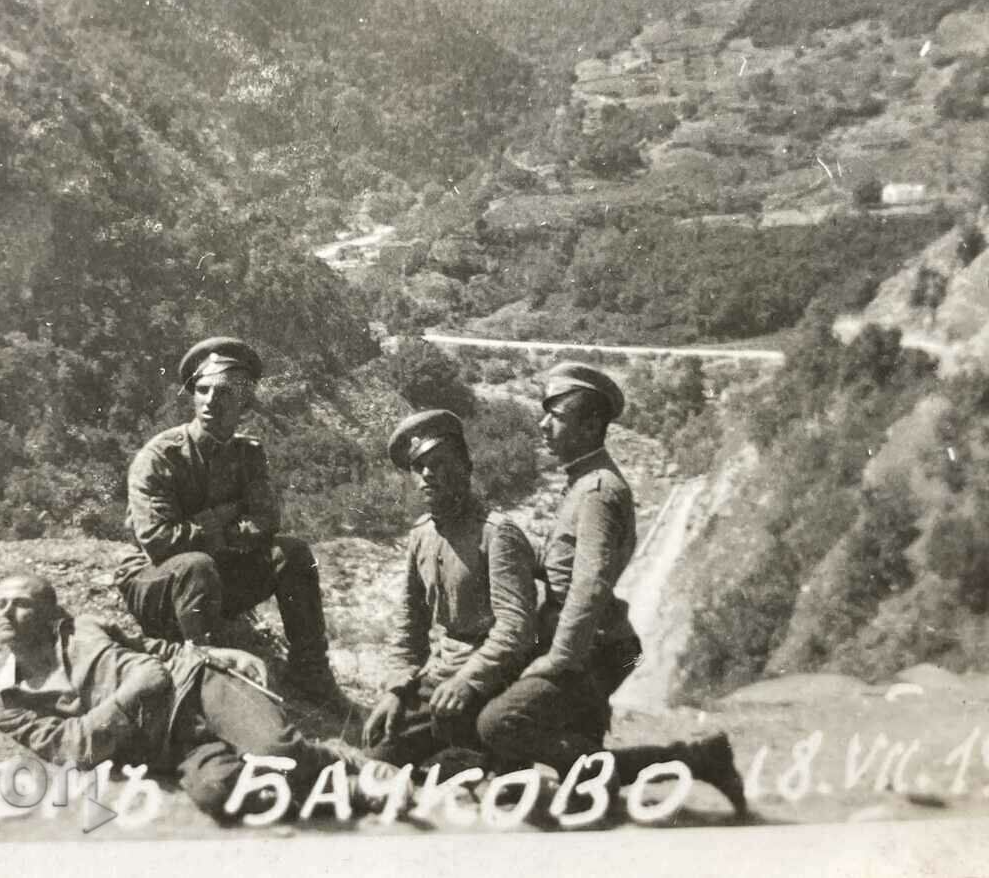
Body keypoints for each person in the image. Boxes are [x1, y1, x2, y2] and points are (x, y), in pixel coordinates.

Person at [475, 362, 746, 816]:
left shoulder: (599, 492)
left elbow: (589, 584)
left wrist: (558, 660)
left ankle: (694, 759)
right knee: (565, 760)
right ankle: (584, 778)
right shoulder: (583, 483)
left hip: (598, 650)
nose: (543, 425)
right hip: (598, 644)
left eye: (556, 416)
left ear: (590, 426)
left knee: (499, 723)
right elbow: (568, 573)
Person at [0, 575, 387, 819]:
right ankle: (349, 791)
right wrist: (131, 692)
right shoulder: (10, 704)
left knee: (273, 751)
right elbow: (72, 748)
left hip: (198, 686)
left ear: (51, 613)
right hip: (171, 744)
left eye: (21, 603)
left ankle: (341, 760)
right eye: (0, 604)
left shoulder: (86, 626)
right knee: (218, 793)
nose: (6, 613)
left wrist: (214, 653)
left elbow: (154, 648)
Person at [113, 337, 334, 696]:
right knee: (196, 565)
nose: (211, 400)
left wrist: (212, 531)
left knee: (293, 553)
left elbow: (267, 520)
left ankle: (312, 674)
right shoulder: (161, 456)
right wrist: (225, 519)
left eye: (225, 392)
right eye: (202, 390)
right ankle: (207, 682)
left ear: (244, 402)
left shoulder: (248, 454)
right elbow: (158, 542)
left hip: (214, 579)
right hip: (155, 584)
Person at [363, 410, 537, 773]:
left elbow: (516, 629)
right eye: (418, 466)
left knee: (467, 775)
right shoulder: (421, 534)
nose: (427, 474)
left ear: (466, 467)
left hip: (492, 682)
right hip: (440, 679)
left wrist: (467, 681)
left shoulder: (496, 534)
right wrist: (396, 690)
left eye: (439, 463)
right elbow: (409, 626)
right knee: (376, 757)